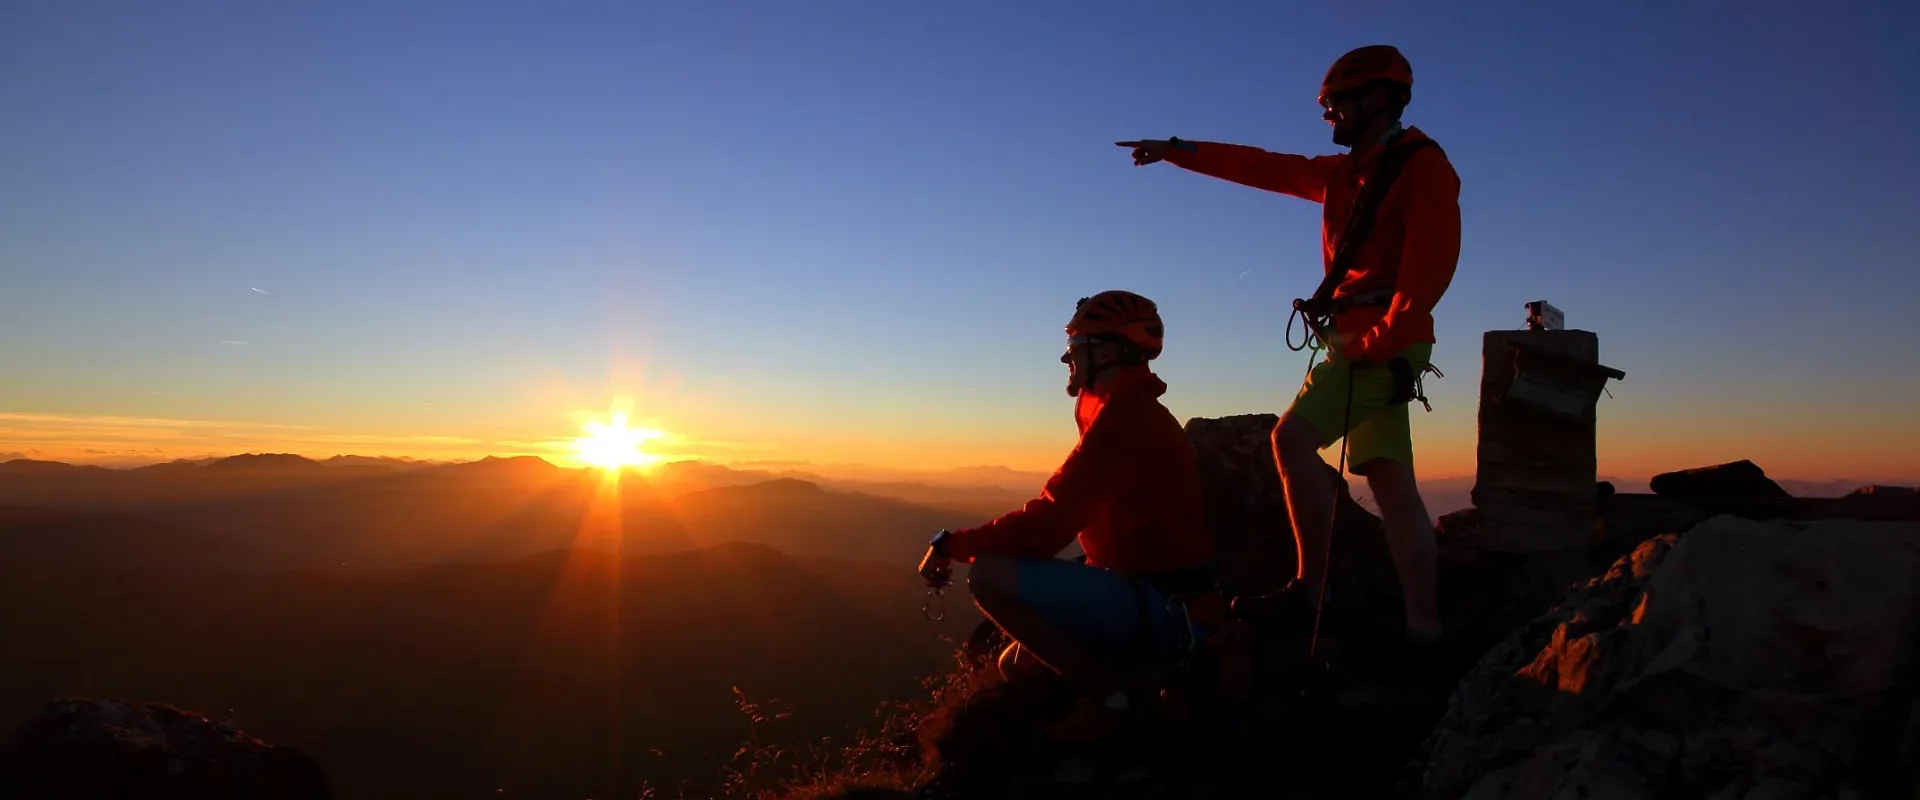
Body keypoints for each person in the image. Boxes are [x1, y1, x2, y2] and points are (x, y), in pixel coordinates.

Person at [1115, 45, 1459, 645]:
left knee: (1292, 439)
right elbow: (1264, 166)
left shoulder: (1421, 167)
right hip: (1361, 340)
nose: (1329, 119)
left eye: (1336, 106)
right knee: (1390, 481)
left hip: (1375, 341)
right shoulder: (1343, 175)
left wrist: (1379, 340)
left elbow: (1428, 270)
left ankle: (1310, 591)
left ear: (1376, 99)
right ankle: (1424, 630)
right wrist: (1179, 152)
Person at [916, 290, 1220, 736]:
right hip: (1155, 595)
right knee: (1014, 667)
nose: (1067, 358)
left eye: (1077, 348)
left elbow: (1048, 524)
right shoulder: (1128, 413)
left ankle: (1116, 703)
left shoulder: (1126, 421)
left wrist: (952, 545)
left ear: (1112, 350)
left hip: (1167, 609)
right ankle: (1122, 681)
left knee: (989, 577)